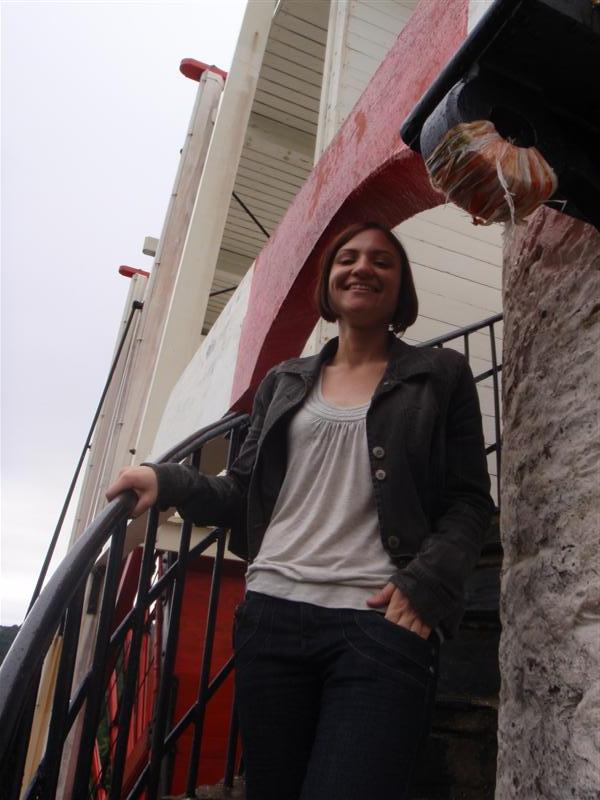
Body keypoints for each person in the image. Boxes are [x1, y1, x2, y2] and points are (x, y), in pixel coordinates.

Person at [107, 222, 493, 800]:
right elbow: (242, 490)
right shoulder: (283, 381)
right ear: (329, 281)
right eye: (348, 257)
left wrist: (429, 582)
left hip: (379, 622)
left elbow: (468, 501)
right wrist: (166, 480)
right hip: (271, 618)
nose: (362, 267)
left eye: (383, 261)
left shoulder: (440, 376)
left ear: (401, 289)